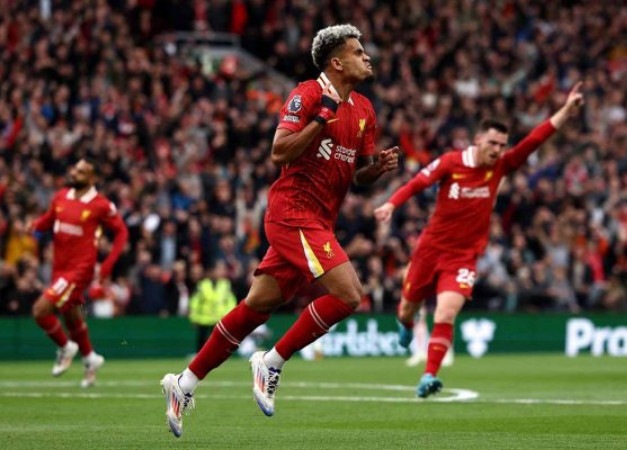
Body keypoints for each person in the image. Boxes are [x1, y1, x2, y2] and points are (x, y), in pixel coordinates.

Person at [160, 23, 399, 438]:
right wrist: (320, 119)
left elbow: (357, 176)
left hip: (320, 220)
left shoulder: (364, 109)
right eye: (359, 52)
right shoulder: (307, 94)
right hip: (292, 212)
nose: (367, 57)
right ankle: (271, 361)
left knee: (256, 307)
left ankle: (183, 384)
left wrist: (374, 170)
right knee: (349, 295)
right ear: (336, 61)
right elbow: (278, 151)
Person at [374, 83, 584, 397]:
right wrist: (391, 204)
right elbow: (418, 182)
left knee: (445, 313)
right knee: (407, 310)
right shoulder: (451, 163)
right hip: (430, 250)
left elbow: (536, 139)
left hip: (463, 257)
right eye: (493, 143)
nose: (498, 150)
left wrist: (566, 110)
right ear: (477, 140)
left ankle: (428, 376)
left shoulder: (501, 166)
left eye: (502, 144)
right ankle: (405, 325)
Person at [30, 157, 128, 388]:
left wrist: (107, 264)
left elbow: (121, 232)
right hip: (59, 268)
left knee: (40, 310)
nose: (75, 173)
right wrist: (35, 225)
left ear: (93, 178)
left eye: (82, 171)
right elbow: (47, 221)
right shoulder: (61, 196)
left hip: (80, 268)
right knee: (72, 315)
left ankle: (66, 347)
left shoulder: (101, 204)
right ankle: (90, 359)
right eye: (74, 169)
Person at [188, 260, 237, 352]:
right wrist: (193, 318)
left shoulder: (226, 284)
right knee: (202, 340)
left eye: (222, 270)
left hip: (219, 319)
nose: (220, 272)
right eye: (218, 269)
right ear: (211, 271)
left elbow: (231, 301)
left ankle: (216, 357)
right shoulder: (202, 284)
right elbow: (195, 302)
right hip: (203, 319)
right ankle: (198, 357)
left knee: (217, 342)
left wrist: (229, 316)